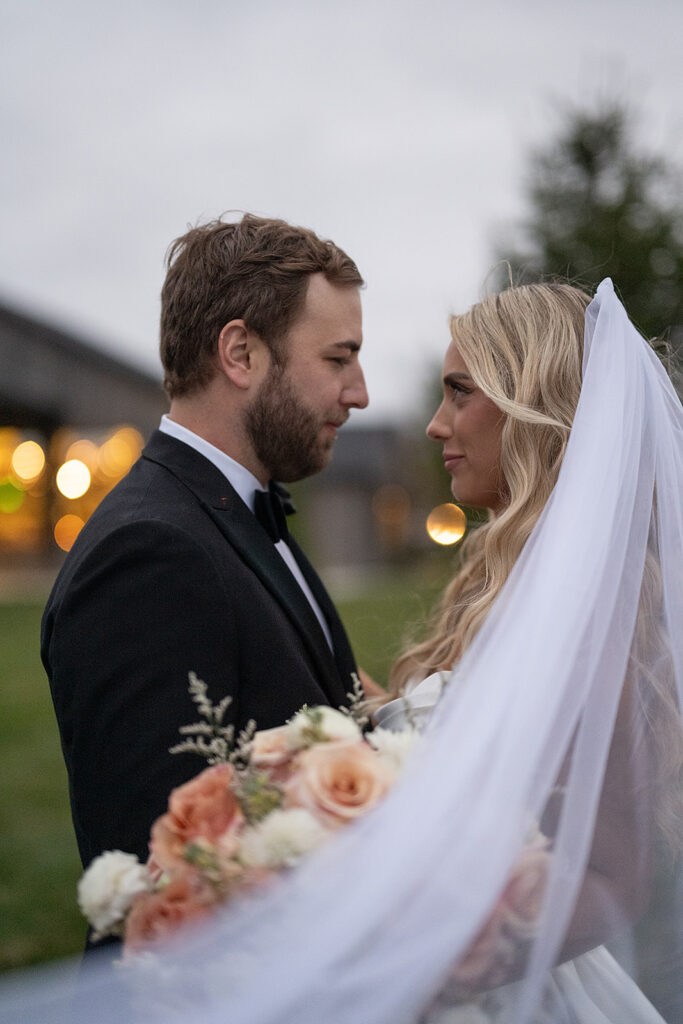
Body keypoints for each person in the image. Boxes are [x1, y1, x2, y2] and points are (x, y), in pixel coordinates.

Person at [8, 278, 682, 1023]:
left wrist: (409, 960)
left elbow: (616, 880)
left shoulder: (592, 608)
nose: (431, 424)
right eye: (339, 359)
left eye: (459, 392)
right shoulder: (513, 586)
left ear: (535, 405)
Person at [41, 214, 370, 884]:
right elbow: (162, 872)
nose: (358, 393)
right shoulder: (148, 555)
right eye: (337, 359)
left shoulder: (241, 516)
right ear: (240, 354)